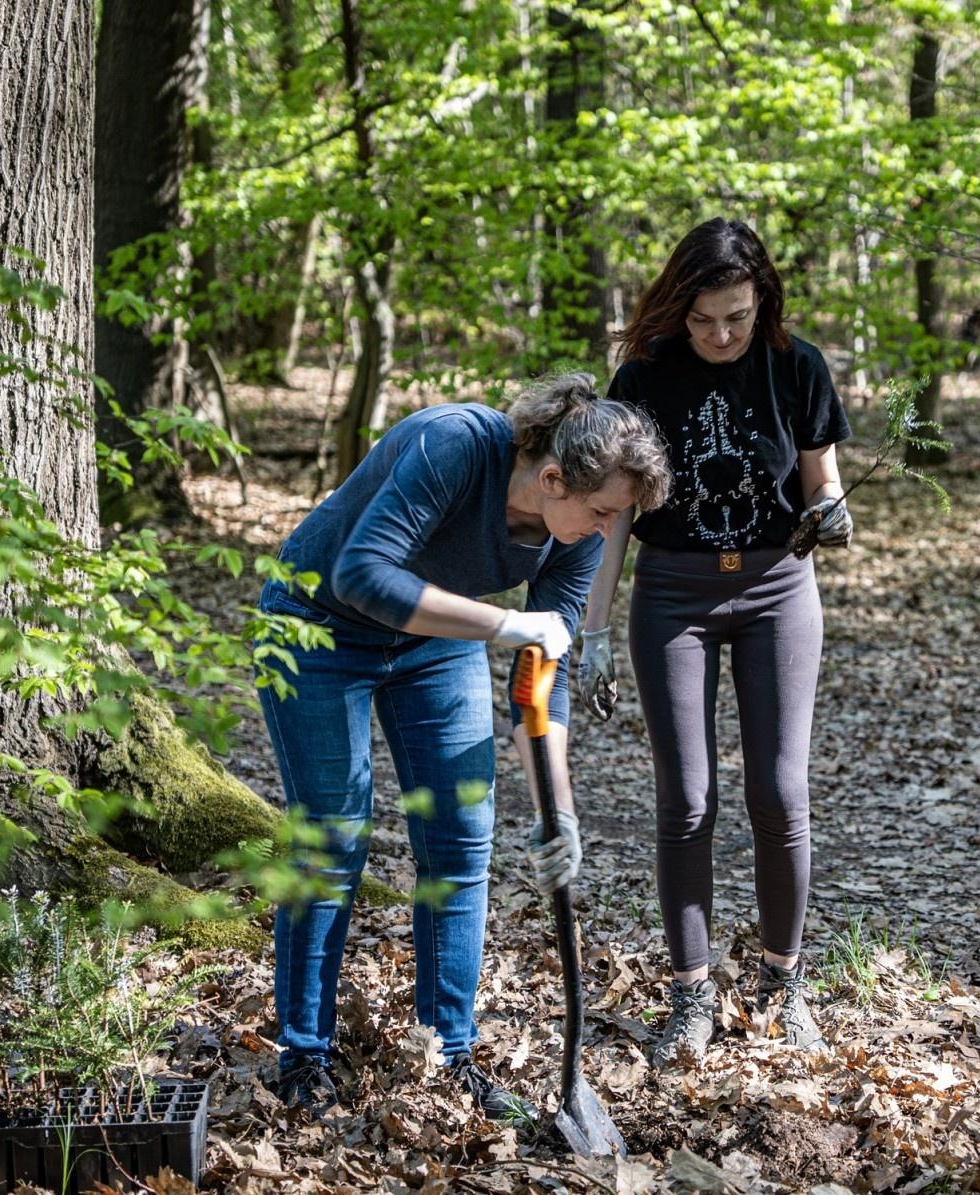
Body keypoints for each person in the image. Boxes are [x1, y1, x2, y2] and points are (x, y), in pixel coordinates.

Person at [255, 373, 670, 1118]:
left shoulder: (576, 536)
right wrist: (506, 625)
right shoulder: (451, 443)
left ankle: (448, 1053)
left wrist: (559, 814)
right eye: (604, 510)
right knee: (332, 838)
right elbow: (361, 575)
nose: (609, 530)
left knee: (461, 838)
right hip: (315, 626)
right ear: (551, 478)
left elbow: (544, 676)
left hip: (431, 642)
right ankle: (303, 1056)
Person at [577, 218, 854, 1067]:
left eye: (736, 315)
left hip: (776, 587)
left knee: (778, 792)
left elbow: (824, 484)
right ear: (680, 308)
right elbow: (615, 513)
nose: (721, 335)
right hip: (674, 595)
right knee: (688, 799)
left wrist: (834, 515)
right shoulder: (646, 374)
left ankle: (783, 983)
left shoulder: (797, 365)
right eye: (704, 319)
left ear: (761, 300)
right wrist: (591, 630)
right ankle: (691, 994)